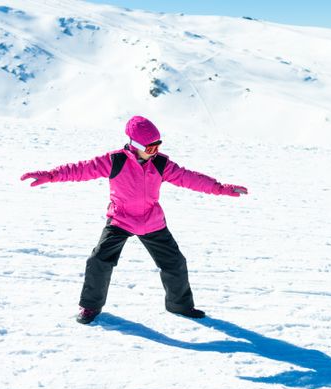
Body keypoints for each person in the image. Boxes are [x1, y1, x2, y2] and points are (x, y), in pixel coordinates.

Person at [21, 116, 248, 324]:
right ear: (136, 145)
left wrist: (220, 188)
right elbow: (80, 169)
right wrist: (51, 175)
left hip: (151, 220)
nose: (155, 151)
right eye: (151, 147)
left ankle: (179, 305)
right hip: (121, 219)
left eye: (158, 145)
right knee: (99, 260)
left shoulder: (160, 164)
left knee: (175, 263)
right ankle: (90, 307)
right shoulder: (114, 161)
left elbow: (188, 178)